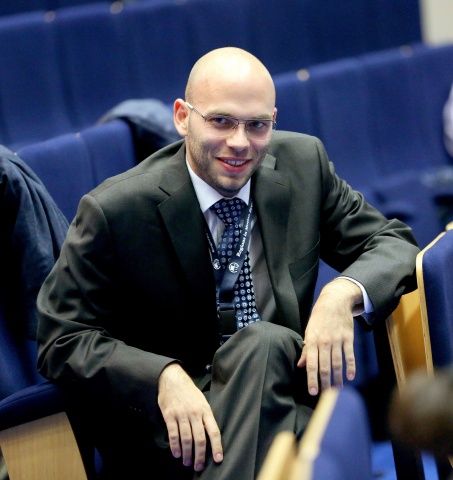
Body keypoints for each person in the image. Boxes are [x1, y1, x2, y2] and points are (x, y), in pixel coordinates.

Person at [36, 47, 420, 480]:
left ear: (273, 120)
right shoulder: (116, 210)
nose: (240, 142)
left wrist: (340, 294)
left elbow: (393, 243)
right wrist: (161, 375)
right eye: (221, 121)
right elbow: (60, 338)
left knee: (266, 345)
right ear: (183, 117)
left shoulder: (303, 166)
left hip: (281, 391)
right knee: (305, 412)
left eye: (257, 125)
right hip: (178, 430)